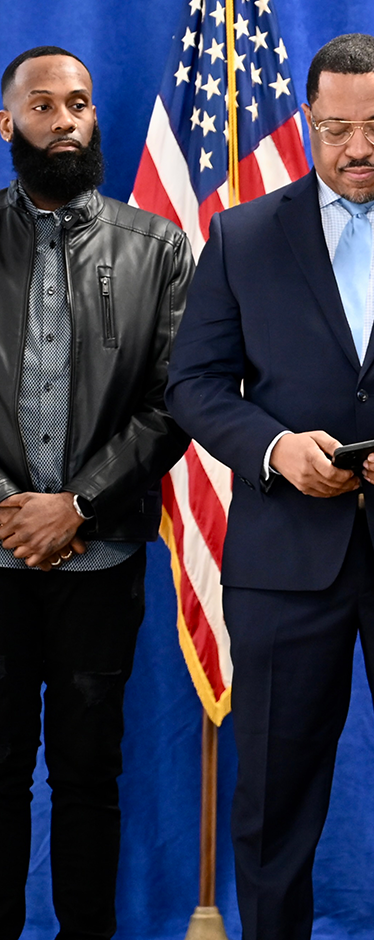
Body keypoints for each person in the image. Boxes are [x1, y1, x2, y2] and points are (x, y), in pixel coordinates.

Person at [165, 34, 374, 940]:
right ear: (309, 120)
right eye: (337, 129)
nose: (358, 149)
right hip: (283, 566)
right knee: (273, 809)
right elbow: (193, 384)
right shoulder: (241, 236)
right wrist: (273, 449)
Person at [0, 47, 193, 939]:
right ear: (9, 125)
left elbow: (176, 400)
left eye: (77, 103)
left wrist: (76, 506)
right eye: (43, 106)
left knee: (88, 776)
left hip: (101, 555)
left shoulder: (157, 247)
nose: (65, 120)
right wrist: (13, 513)